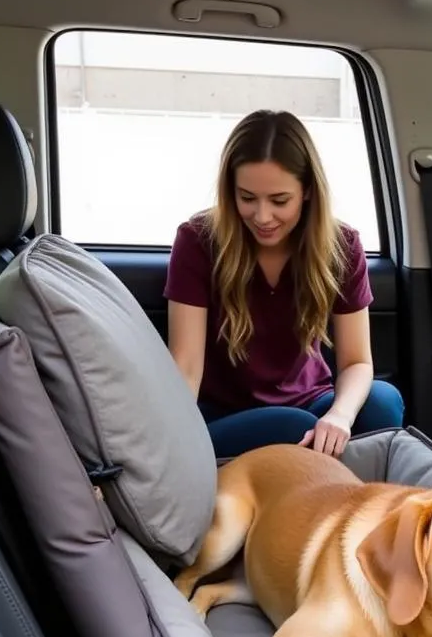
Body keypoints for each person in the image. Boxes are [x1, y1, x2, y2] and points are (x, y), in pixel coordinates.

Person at [164, 109, 404, 459]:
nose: (262, 217)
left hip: (312, 403)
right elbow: (185, 368)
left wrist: (339, 415)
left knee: (382, 402)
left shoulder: (342, 246)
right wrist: (170, 444)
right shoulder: (198, 241)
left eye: (279, 201)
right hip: (224, 415)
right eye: (247, 198)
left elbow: (356, 362)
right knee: (292, 427)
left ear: (307, 191)